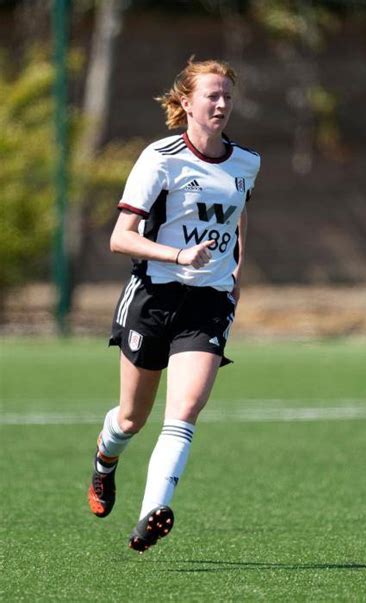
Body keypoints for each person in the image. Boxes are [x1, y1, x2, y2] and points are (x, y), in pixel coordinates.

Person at [87, 58, 261, 553]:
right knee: (130, 419)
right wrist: (178, 254)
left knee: (183, 410)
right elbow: (120, 239)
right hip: (153, 297)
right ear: (185, 102)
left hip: (207, 304)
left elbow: (238, 216)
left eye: (228, 95)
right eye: (212, 95)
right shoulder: (158, 158)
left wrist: (237, 274)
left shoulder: (246, 162)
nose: (222, 104)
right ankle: (105, 458)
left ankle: (151, 514)